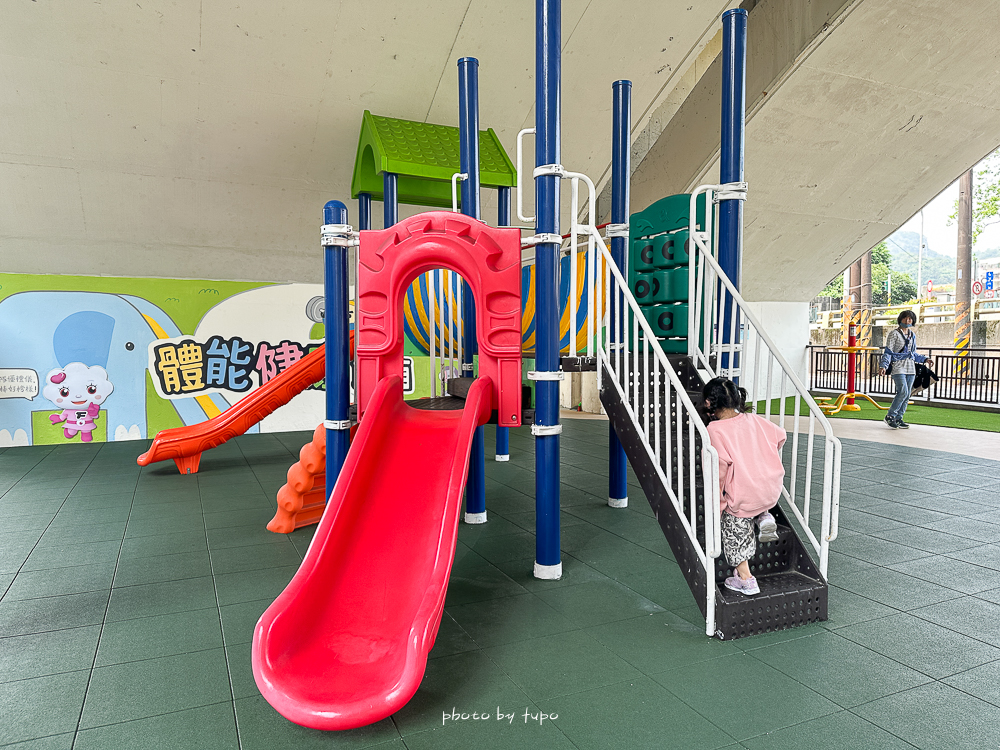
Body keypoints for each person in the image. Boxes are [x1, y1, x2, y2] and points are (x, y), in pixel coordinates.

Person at [703, 377, 787, 597]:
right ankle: (764, 516)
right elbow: (781, 436)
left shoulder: (715, 429)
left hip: (746, 496)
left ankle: (746, 580)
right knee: (752, 486)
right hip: (770, 489)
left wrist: (719, 503)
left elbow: (719, 471)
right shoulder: (755, 420)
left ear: (709, 404)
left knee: (734, 526)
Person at [878, 310, 932, 429]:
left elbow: (913, 353)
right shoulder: (894, 334)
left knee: (907, 394)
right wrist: (884, 366)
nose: (908, 321)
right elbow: (888, 351)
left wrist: (925, 359)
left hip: (910, 368)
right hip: (898, 367)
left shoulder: (912, 335)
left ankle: (899, 417)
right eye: (906, 318)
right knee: (902, 391)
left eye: (910, 319)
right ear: (900, 319)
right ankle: (890, 416)